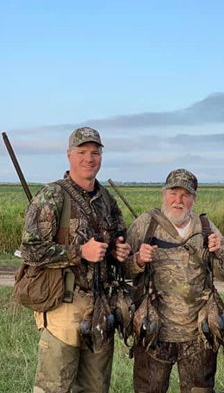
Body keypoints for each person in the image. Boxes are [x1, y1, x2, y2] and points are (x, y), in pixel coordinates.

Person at [21, 126, 131, 393]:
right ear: (69, 155)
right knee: (54, 387)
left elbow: (118, 238)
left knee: (96, 387)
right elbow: (30, 250)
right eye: (82, 152)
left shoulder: (106, 200)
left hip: (100, 307)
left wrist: (118, 252)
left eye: (95, 152)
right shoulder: (53, 195)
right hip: (63, 306)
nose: (89, 159)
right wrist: (79, 252)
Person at [125, 168, 224, 393]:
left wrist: (216, 253)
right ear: (164, 193)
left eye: (185, 195)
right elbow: (121, 270)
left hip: (199, 334)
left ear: (194, 198)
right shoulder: (145, 224)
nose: (178, 200)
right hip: (152, 331)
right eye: (173, 193)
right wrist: (137, 260)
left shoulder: (205, 227)